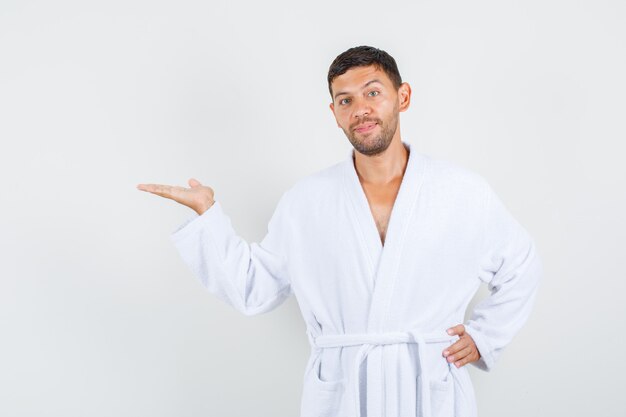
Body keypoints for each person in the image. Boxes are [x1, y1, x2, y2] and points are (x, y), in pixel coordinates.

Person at [137, 45, 542, 417]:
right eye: (345, 100)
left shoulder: (462, 191)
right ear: (333, 113)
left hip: (429, 390)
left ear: (403, 97)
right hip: (344, 394)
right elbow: (253, 287)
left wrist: (484, 336)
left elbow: (520, 266)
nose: (360, 109)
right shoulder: (306, 201)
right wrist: (208, 216)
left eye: (372, 93)